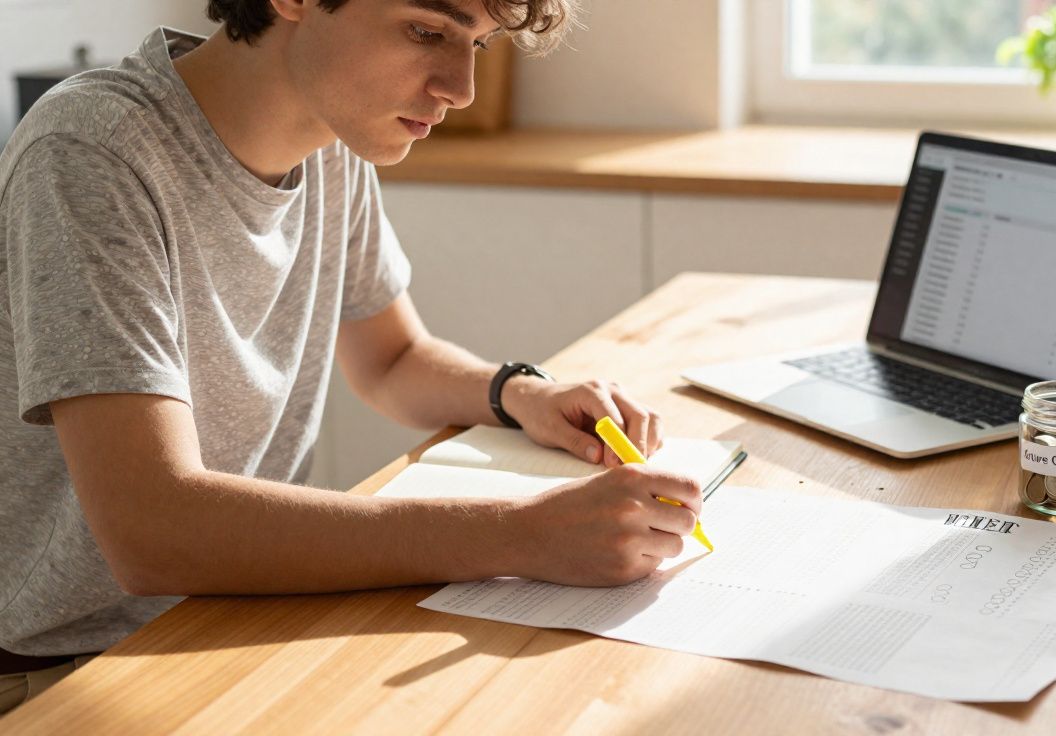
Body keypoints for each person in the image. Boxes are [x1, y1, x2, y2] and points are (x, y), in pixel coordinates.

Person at [0, 0, 703, 714]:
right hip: (65, 671)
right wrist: (522, 537)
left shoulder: (331, 138)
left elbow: (393, 359)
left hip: (225, 616)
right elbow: (152, 531)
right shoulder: (93, 150)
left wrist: (518, 393)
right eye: (428, 32)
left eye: (479, 47)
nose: (460, 88)